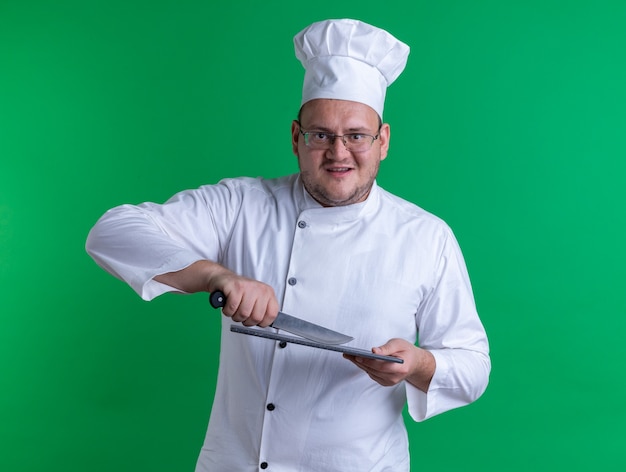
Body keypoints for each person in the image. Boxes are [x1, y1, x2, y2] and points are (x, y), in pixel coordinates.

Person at [86, 18, 490, 472]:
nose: (339, 153)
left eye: (356, 135)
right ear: (297, 137)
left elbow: (474, 365)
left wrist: (417, 364)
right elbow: (112, 232)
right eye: (321, 135)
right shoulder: (242, 203)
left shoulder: (426, 236)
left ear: (383, 142)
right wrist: (215, 275)